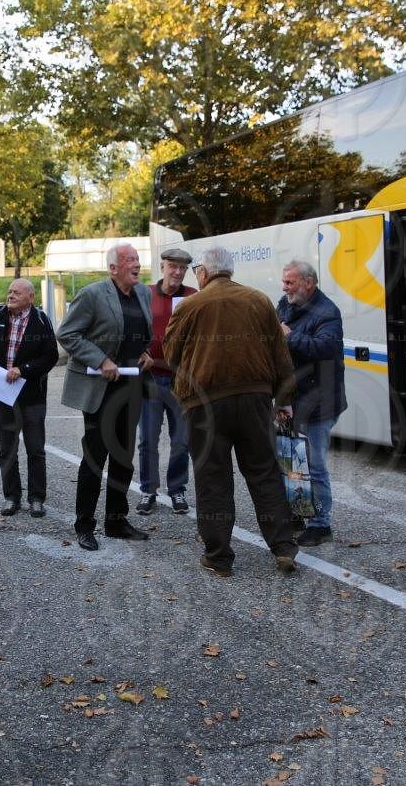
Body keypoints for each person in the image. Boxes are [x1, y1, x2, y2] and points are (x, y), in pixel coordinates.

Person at [164, 246, 299, 576]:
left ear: (204, 273)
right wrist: (284, 399)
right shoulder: (259, 301)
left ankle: (219, 556)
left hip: (205, 404)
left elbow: (170, 354)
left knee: (213, 478)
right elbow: (280, 354)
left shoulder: (190, 306)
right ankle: (283, 547)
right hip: (254, 399)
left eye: (196, 270)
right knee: (264, 472)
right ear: (230, 270)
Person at [57, 243, 154, 551]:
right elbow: (67, 334)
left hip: (131, 386)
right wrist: (101, 360)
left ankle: (116, 521)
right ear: (113, 268)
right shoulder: (92, 295)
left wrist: (146, 353)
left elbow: (141, 333)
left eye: (137, 259)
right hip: (100, 389)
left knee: (123, 458)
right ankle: (84, 525)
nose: (136, 264)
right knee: (95, 458)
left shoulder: (144, 293)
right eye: (130, 260)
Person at [0, 278, 60, 518]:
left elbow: (50, 356)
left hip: (32, 395)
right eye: (10, 291)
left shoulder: (41, 320)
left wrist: (23, 370)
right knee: (7, 449)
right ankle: (11, 497)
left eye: (16, 293)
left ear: (31, 297)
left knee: (36, 449)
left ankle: (36, 498)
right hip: (1, 393)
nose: (10, 295)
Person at [277, 260, 347, 547]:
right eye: (284, 281)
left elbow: (325, 348)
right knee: (292, 459)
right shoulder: (285, 304)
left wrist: (290, 337)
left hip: (320, 402)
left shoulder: (328, 312)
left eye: (290, 282)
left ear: (308, 283)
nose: (284, 287)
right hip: (292, 399)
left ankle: (321, 523)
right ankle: (298, 511)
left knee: (315, 466)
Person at [137, 247, 197, 516]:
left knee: (181, 441)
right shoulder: (145, 293)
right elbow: (132, 328)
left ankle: (177, 489)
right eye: (173, 266)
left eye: (182, 268)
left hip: (180, 380)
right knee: (148, 440)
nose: (178, 272)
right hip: (150, 379)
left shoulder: (192, 296)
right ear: (162, 267)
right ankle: (148, 490)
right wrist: (140, 352)